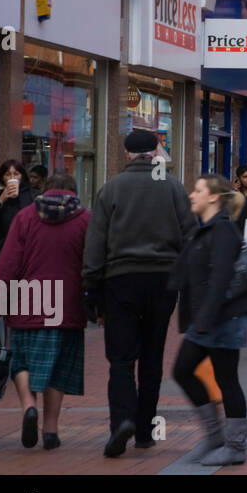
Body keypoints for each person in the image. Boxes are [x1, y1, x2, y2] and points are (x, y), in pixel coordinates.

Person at [83, 129, 196, 457]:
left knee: (120, 357)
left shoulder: (112, 188)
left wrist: (91, 285)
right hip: (163, 281)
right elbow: (190, 233)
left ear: (127, 153)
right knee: (152, 355)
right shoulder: (173, 186)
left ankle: (121, 421)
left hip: (121, 279)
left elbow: (96, 242)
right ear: (156, 151)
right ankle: (145, 430)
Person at [0, 172, 89, 451]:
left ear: (46, 190)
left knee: (21, 362)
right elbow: (92, 263)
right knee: (57, 369)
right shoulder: (85, 219)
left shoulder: (25, 217)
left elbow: (9, 261)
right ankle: (51, 430)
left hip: (26, 303)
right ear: (73, 190)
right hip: (66, 306)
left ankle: (28, 407)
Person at [170, 174, 247, 465]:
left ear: (213, 198)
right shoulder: (204, 229)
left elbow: (219, 279)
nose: (191, 195)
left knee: (227, 378)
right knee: (182, 370)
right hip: (207, 318)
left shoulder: (223, 231)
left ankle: (234, 446)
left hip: (224, 317)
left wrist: (204, 318)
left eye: (197, 191)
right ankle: (216, 437)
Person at [0, 159, 37, 267]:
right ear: (2, 178)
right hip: (3, 255)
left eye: (16, 174)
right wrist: (0, 200)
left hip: (28, 256)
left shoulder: (32, 196)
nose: (12, 178)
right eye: (7, 174)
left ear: (22, 176)